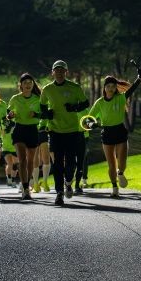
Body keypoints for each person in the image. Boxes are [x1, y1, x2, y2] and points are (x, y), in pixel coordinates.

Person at [88, 69, 141, 197]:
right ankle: (114, 187)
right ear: (104, 88)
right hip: (107, 133)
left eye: (113, 86)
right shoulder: (99, 102)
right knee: (111, 164)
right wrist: (92, 124)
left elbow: (132, 89)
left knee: (122, 163)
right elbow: (89, 119)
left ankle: (121, 173)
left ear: (115, 88)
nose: (111, 88)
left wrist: (139, 78)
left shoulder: (120, 98)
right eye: (108, 86)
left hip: (120, 131)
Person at [39, 60, 89, 206]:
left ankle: (68, 182)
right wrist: (47, 114)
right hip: (55, 131)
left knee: (71, 163)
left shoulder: (75, 87)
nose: (59, 73)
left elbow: (85, 103)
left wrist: (74, 108)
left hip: (72, 130)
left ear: (66, 72)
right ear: (52, 73)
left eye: (62, 70)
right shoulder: (47, 89)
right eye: (57, 70)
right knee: (58, 163)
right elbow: (42, 106)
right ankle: (59, 192)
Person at [7, 73, 42, 200]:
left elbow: (44, 114)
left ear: (33, 85)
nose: (28, 85)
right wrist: (10, 115)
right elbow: (8, 113)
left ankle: (26, 183)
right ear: (20, 85)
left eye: (30, 83)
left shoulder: (38, 98)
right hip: (19, 130)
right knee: (22, 159)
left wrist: (36, 115)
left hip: (32, 130)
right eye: (25, 83)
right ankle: (26, 188)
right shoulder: (15, 98)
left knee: (31, 160)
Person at [32, 119, 51, 194]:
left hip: (43, 132)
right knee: (35, 159)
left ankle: (45, 182)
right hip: (33, 131)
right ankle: (35, 184)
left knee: (46, 158)